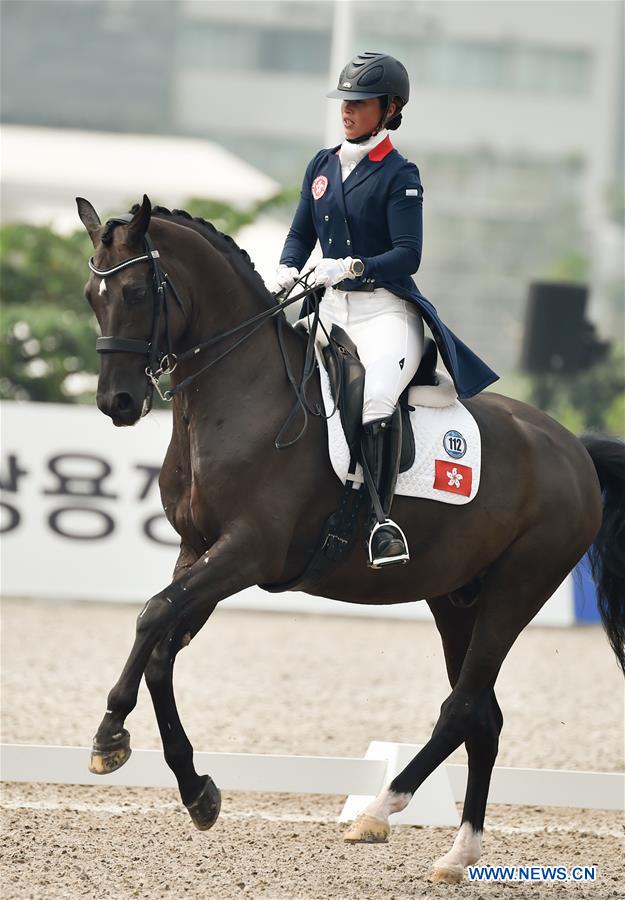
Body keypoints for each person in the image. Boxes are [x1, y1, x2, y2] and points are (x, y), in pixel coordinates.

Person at [270, 51, 498, 569]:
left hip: (385, 312)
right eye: (344, 102)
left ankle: (379, 520)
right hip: (330, 307)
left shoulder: (400, 173)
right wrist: (287, 267)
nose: (347, 111)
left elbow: (407, 254)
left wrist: (351, 267)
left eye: (360, 103)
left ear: (390, 109)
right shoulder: (322, 164)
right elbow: (301, 232)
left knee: (374, 399)